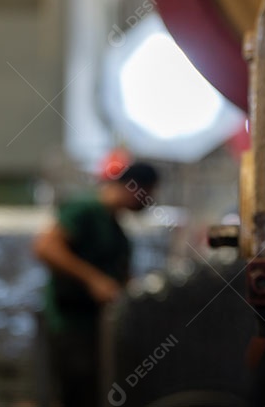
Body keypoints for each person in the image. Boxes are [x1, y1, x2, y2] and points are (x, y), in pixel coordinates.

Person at [33, 161, 159, 407]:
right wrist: (93, 280)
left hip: (96, 328)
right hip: (71, 324)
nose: (151, 200)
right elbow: (45, 247)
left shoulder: (116, 228)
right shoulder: (86, 210)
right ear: (135, 187)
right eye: (149, 192)